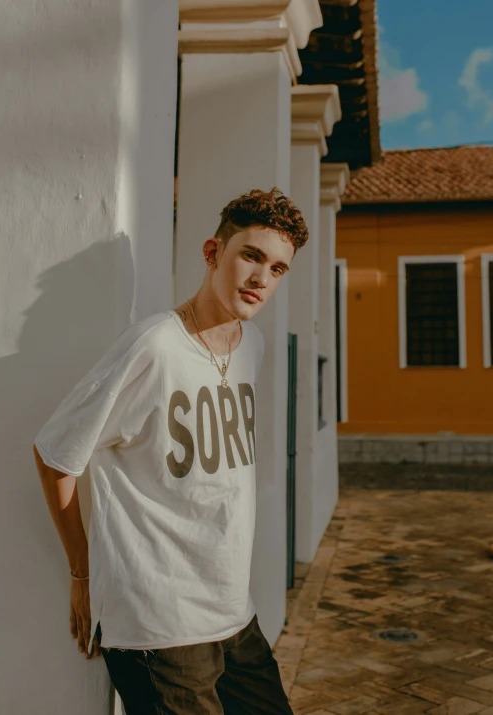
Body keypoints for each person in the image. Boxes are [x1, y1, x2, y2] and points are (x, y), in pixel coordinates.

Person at [33, 187, 308, 714]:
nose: (261, 279)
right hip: (159, 628)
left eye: (277, 269)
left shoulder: (255, 345)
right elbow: (55, 454)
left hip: (232, 614)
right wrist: (82, 570)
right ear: (212, 253)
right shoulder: (154, 345)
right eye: (251, 256)